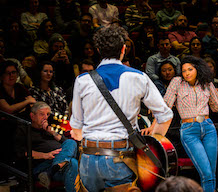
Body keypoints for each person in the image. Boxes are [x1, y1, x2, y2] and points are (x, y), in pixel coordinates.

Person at [70, 24, 173, 192]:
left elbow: (76, 130)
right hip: (120, 155)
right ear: (123, 49)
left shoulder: (82, 80)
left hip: (89, 155)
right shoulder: (138, 77)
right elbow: (165, 115)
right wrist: (151, 143)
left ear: (98, 50)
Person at [142, 55, 218, 192]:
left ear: (198, 69)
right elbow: (165, 106)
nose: (186, 73)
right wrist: (153, 126)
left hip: (208, 127)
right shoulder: (177, 82)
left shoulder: (206, 83)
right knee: (206, 173)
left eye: (190, 69)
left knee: (211, 174)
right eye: (183, 70)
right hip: (189, 130)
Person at [15, 101, 78, 191]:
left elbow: (68, 143)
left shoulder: (49, 129)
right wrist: (46, 155)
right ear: (32, 116)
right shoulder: (25, 129)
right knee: (73, 163)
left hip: (52, 170)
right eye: (42, 114)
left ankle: (53, 169)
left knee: (71, 144)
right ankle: (56, 167)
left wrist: (52, 132)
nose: (45, 117)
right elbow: (21, 152)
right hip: (42, 166)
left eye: (48, 114)